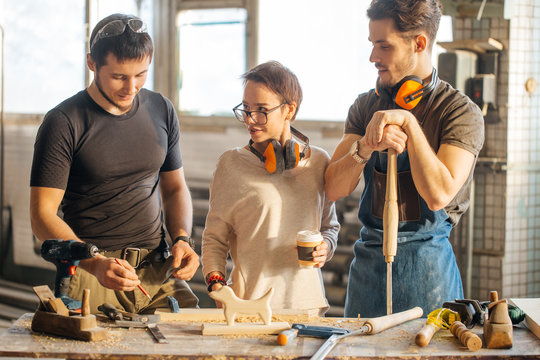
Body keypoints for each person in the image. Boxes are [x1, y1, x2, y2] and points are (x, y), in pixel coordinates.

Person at [29, 13, 199, 314]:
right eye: (119, 76)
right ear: (92, 63)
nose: (131, 88)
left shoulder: (161, 109)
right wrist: (94, 264)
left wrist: (182, 239)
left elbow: (174, 189)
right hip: (93, 271)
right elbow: (42, 215)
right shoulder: (64, 121)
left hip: (155, 268)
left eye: (141, 75)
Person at [325, 0, 484, 317]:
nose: (373, 58)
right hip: (368, 266)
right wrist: (365, 148)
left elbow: (438, 194)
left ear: (419, 43)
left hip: (428, 271)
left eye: (384, 47)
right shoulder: (365, 106)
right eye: (372, 45)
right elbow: (332, 188)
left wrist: (410, 125)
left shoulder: (459, 111)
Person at [201, 61, 340, 315]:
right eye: (246, 109)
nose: (250, 119)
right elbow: (214, 239)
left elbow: (329, 227)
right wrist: (217, 286)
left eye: (262, 110)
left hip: (307, 307)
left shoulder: (319, 162)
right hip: (247, 307)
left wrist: (326, 248)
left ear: (289, 111)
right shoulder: (230, 164)